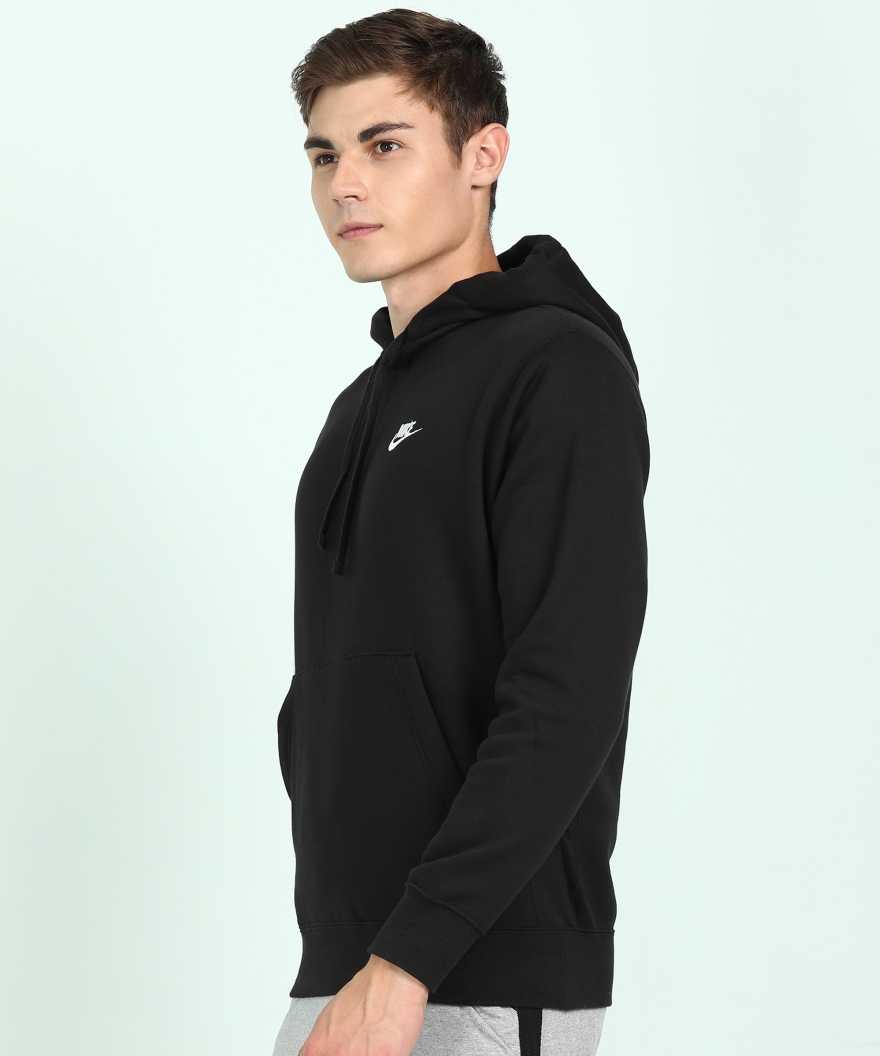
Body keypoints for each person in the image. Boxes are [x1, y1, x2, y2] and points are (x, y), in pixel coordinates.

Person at [272, 9, 650, 1056]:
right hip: (350, 960)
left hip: (476, 969)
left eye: (385, 145)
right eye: (324, 155)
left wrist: (410, 959)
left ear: (482, 155)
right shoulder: (356, 410)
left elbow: (567, 693)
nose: (346, 185)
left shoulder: (557, 371)